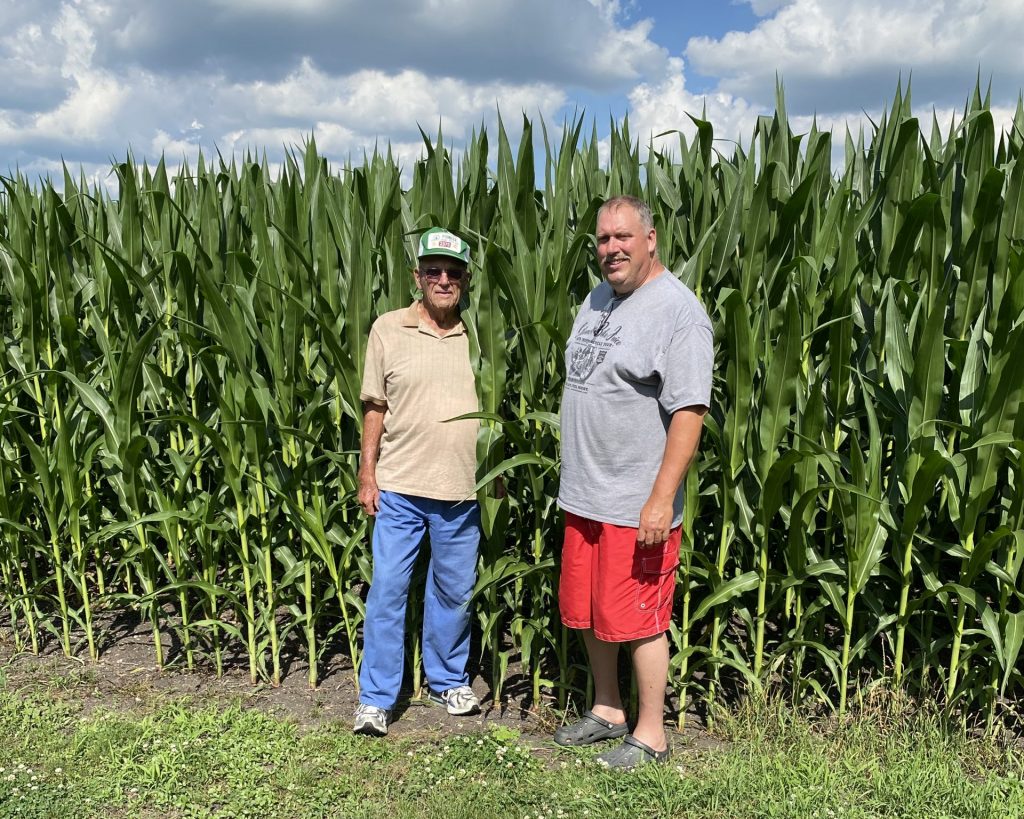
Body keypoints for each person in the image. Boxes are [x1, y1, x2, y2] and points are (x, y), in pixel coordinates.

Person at [555, 195, 712, 768]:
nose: (612, 249)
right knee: (590, 610)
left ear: (651, 239)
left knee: (641, 618)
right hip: (585, 493)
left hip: (635, 501)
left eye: (623, 237)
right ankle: (608, 709)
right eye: (602, 239)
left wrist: (660, 499)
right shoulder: (598, 297)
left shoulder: (678, 312)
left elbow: (690, 413)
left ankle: (651, 734)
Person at [353, 227, 482, 736]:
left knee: (453, 590)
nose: (443, 279)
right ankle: (377, 698)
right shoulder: (389, 329)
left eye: (453, 272)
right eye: (433, 270)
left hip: (462, 490)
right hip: (400, 486)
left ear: (466, 279)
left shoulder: (481, 334)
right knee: (387, 589)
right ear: (418, 276)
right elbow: (374, 407)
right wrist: (367, 473)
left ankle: (448, 678)